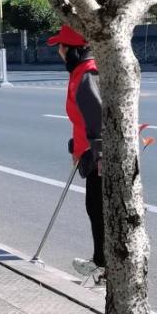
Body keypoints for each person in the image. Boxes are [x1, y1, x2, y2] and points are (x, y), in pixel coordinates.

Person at [48, 24, 104, 281]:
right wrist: (75, 146)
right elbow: (81, 119)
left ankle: (103, 265)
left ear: (73, 49)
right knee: (95, 207)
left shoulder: (87, 74)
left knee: (98, 208)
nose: (59, 51)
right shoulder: (80, 71)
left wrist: (100, 155)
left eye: (62, 46)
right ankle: (102, 262)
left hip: (98, 155)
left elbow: (97, 118)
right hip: (88, 151)